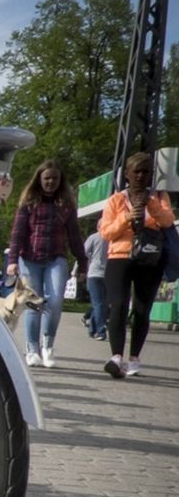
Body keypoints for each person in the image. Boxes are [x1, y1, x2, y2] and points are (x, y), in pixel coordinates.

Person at [96, 151, 175, 378]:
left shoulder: (159, 197)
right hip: (120, 258)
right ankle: (116, 357)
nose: (141, 176)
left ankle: (134, 358)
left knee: (142, 310)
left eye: (145, 171)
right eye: (136, 171)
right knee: (119, 306)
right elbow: (106, 232)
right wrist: (127, 217)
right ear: (128, 174)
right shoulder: (116, 200)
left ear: (151, 175)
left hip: (150, 259)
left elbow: (168, 221)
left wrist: (151, 206)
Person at [6, 160, 87, 368]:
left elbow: (75, 236)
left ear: (60, 181)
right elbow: (18, 233)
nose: (50, 182)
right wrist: (12, 260)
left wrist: (82, 261)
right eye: (46, 178)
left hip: (56, 258)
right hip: (30, 259)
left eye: (54, 178)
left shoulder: (66, 205)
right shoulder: (29, 202)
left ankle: (48, 346)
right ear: (39, 180)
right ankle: (32, 349)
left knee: (55, 301)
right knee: (33, 303)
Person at [82, 230, 108, 341]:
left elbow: (83, 253)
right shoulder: (113, 238)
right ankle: (96, 330)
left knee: (98, 303)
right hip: (108, 273)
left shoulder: (93, 237)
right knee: (101, 303)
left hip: (94, 273)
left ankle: (98, 330)